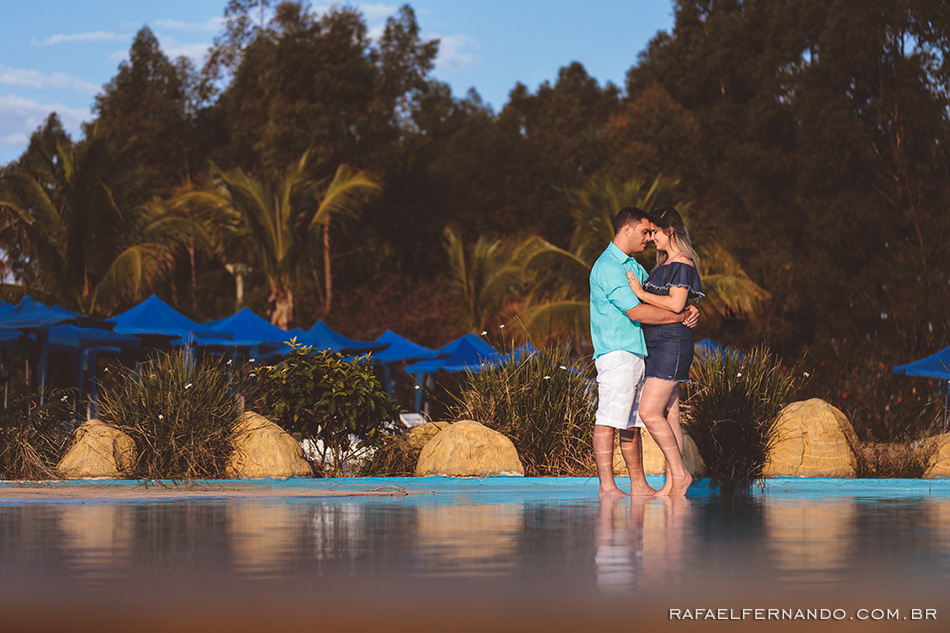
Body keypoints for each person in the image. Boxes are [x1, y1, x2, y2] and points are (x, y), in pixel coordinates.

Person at [590, 206, 699, 498]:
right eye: (644, 231)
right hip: (617, 351)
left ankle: (640, 484)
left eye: (653, 232)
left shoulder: (635, 267)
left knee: (632, 422)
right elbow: (637, 311)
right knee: (609, 419)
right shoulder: (608, 267)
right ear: (627, 229)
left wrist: (688, 307)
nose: (648, 238)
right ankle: (608, 486)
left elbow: (666, 298)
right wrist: (679, 314)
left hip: (642, 353)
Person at [626, 206, 703, 496]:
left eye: (654, 232)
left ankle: (680, 476)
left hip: (672, 345)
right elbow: (681, 305)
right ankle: (672, 484)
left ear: (670, 231)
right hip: (657, 346)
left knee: (649, 411)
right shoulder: (663, 265)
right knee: (671, 416)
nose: (651, 238)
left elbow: (674, 304)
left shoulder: (682, 261)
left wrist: (642, 295)